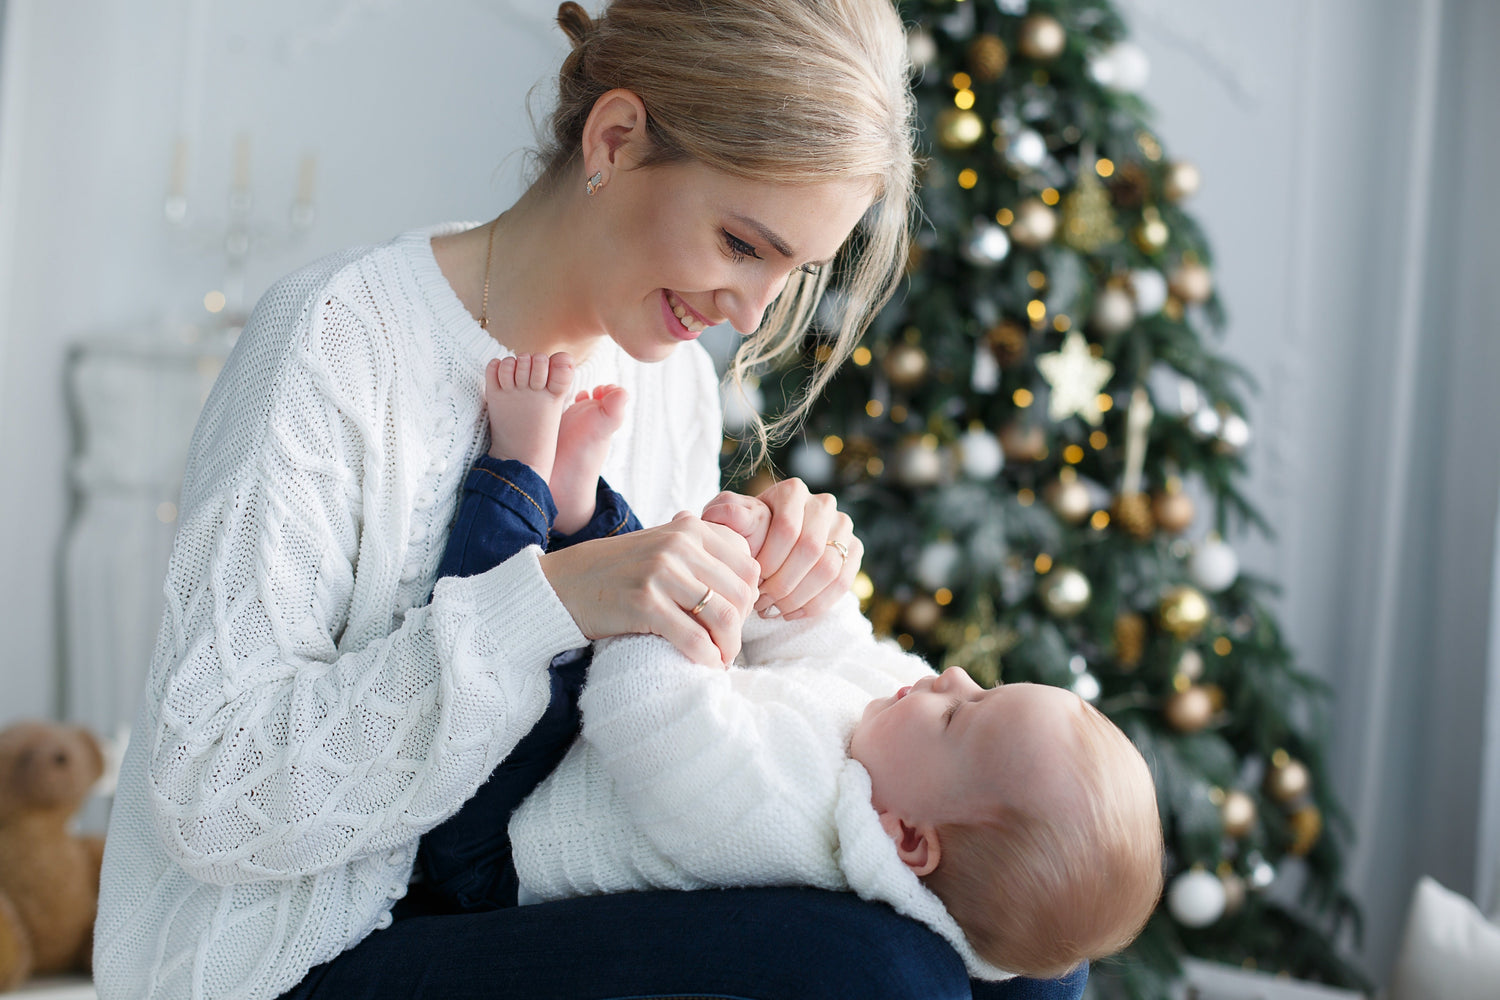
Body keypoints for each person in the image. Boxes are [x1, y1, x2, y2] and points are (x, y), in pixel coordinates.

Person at [93, 0, 1092, 997]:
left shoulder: (671, 386)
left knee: (1035, 956)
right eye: (743, 244)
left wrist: (782, 603)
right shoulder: (339, 341)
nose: (750, 314)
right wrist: (553, 599)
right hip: (305, 951)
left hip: (527, 890)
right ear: (614, 138)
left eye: (795, 270)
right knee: (882, 970)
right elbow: (211, 794)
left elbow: (680, 739)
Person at [419, 352, 1164, 983]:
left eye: (958, 715)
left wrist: (705, 579)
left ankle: (515, 466)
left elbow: (641, 708)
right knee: (647, 587)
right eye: (985, 686)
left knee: (528, 661)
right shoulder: (899, 737)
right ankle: (580, 506)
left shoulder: (780, 814)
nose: (953, 679)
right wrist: (773, 570)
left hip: (499, 844)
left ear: (907, 839)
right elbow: (828, 644)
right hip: (603, 751)